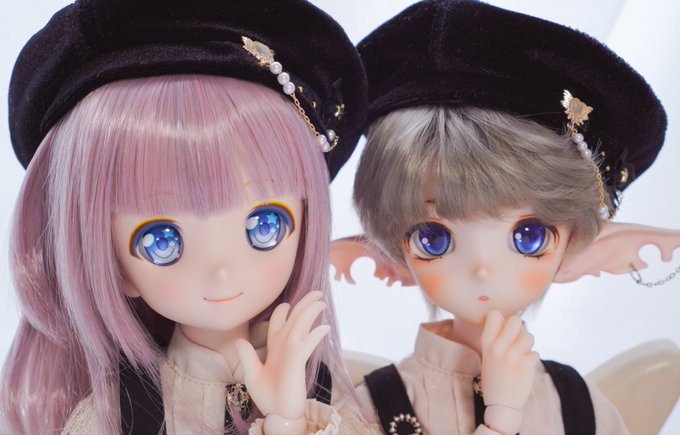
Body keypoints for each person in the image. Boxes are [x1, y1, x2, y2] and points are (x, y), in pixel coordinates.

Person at [0, 0, 368, 433]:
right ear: (112, 264)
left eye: (265, 226)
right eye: (161, 241)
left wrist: (289, 420)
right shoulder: (120, 415)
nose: (221, 273)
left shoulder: (327, 400)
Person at [331, 0, 679, 433]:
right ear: (392, 248)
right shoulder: (368, 408)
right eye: (433, 239)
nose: (482, 270)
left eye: (529, 236)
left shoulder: (581, 404)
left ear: (574, 243)